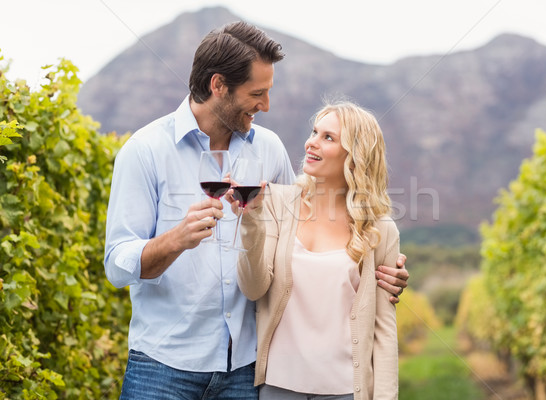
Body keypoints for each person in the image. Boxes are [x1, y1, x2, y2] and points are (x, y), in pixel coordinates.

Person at [104, 21, 408, 399]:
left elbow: (300, 237)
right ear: (219, 86)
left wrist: (382, 272)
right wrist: (175, 240)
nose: (265, 105)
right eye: (257, 93)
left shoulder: (269, 149)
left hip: (245, 368)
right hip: (163, 366)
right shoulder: (145, 150)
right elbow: (117, 265)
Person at [235, 101, 401, 400]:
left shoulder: (380, 228)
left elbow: (383, 328)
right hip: (278, 386)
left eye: (328, 137)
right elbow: (253, 287)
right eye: (314, 132)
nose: (311, 143)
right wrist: (251, 220)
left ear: (355, 155)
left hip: (345, 389)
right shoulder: (276, 202)